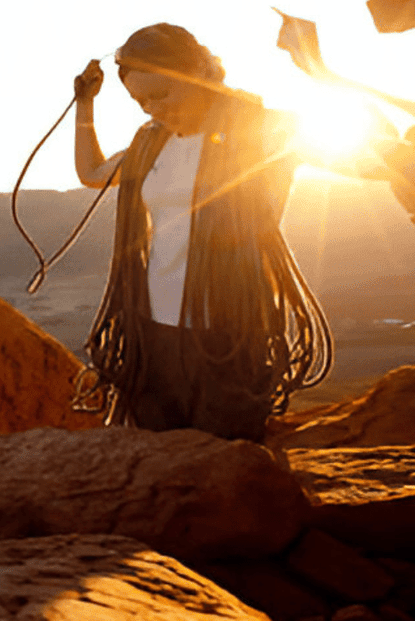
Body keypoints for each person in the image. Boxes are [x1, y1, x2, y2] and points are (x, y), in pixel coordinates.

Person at [71, 23, 335, 442]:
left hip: (228, 329)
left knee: (228, 451)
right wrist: (84, 105)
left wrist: (322, 75)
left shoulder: (261, 130)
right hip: (152, 328)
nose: (152, 109)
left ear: (196, 74)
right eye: (140, 101)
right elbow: (92, 174)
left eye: (162, 94)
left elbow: (371, 147)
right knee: (158, 450)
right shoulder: (151, 144)